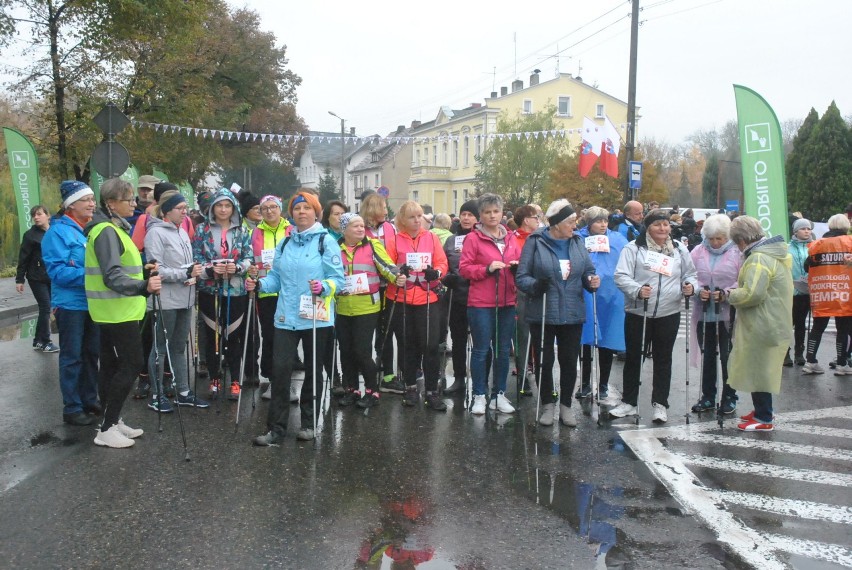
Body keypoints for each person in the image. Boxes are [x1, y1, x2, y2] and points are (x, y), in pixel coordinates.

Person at [248, 190, 344, 444]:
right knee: (280, 371)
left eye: (307, 208)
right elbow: (276, 279)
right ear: (292, 213)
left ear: (316, 213)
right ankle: (276, 429)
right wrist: (259, 285)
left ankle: (309, 423)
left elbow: (338, 280)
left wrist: (324, 287)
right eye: (298, 209)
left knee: (313, 371)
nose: (302, 212)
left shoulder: (326, 241)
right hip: (286, 316)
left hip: (316, 316)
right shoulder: (285, 243)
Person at [84, 178, 160, 448]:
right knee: (130, 364)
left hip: (117, 310)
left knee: (112, 367)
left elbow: (121, 268)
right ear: (111, 203)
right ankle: (106, 428)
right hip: (116, 312)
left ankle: (111, 421)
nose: (134, 203)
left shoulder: (112, 229)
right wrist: (143, 285)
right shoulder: (106, 231)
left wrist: (143, 269)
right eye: (128, 199)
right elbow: (112, 275)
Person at [516, 200, 600, 427]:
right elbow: (521, 277)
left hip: (572, 310)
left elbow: (588, 270)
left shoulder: (577, 242)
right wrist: (536, 285)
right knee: (544, 361)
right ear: (556, 224)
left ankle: (565, 406)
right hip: (543, 310)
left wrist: (592, 280)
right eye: (571, 222)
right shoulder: (535, 242)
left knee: (569, 361)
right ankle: (547, 404)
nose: (575, 225)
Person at [612, 209, 697, 423]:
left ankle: (660, 403)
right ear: (648, 227)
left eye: (666, 224)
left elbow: (691, 274)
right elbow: (621, 275)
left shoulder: (678, 249)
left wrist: (690, 286)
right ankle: (629, 402)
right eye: (657, 224)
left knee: (663, 359)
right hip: (639, 311)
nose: (663, 228)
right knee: (634, 358)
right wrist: (637, 290)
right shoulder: (633, 248)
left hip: (669, 312)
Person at [720, 216, 792, 431]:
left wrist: (729, 294)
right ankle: (761, 410)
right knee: (759, 367)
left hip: (762, 322)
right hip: (772, 319)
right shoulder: (772, 254)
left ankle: (764, 417)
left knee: (760, 369)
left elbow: (752, 294)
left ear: (741, 240)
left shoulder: (758, 259)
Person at [41, 181, 101, 427]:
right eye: (86, 200)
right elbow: (57, 272)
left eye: (92, 199)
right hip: (70, 305)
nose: (92, 204)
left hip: (93, 303)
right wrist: (93, 275)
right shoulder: (57, 232)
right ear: (70, 205)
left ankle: (89, 399)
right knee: (72, 356)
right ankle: (72, 407)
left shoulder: (90, 229)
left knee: (91, 354)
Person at [143, 189, 208, 411]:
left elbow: (186, 265)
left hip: (185, 297)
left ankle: (183, 391)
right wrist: (185, 274)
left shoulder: (181, 231)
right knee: (160, 347)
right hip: (166, 300)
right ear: (167, 211)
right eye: (180, 209)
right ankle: (156, 394)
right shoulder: (155, 233)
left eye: (185, 209)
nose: (185, 213)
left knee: (179, 347)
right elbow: (156, 270)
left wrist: (195, 272)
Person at [459, 194, 522, 415]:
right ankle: (479, 394)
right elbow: (464, 269)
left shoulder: (511, 237)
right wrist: (486, 269)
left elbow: (521, 264)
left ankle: (499, 394)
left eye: (496, 211)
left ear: (502, 213)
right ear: (481, 216)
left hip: (507, 300)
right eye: (487, 212)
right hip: (481, 303)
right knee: (481, 350)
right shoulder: (473, 239)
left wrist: (516, 267)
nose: (492, 215)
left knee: (503, 351)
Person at [384, 200, 449, 410]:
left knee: (430, 346)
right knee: (407, 346)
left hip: (427, 298)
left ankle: (432, 390)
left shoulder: (431, 238)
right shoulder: (395, 240)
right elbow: (388, 265)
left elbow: (442, 262)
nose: (417, 220)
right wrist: (396, 275)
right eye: (412, 217)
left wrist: (436, 273)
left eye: (419, 216)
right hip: (402, 298)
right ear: (403, 219)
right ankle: (410, 387)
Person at [191, 188, 254, 400]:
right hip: (210, 289)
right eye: (219, 205)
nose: (223, 209)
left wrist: (237, 268)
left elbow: (249, 257)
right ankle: (214, 377)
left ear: (233, 208)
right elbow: (196, 256)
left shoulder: (242, 231)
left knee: (233, 336)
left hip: (235, 289)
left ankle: (235, 379)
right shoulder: (201, 230)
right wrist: (210, 269)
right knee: (212, 335)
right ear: (213, 208)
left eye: (227, 205)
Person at [335, 213, 399, 408]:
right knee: (345, 351)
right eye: (355, 226)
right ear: (344, 230)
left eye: (362, 225)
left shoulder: (372, 245)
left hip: (367, 307)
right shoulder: (334, 248)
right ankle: (352, 389)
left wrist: (397, 277)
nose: (361, 229)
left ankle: (372, 391)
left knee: (362, 351)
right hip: (343, 307)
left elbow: (387, 266)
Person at [688, 214, 742, 415]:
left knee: (728, 356)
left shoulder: (737, 253)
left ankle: (730, 396)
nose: (715, 242)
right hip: (704, 311)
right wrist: (696, 289)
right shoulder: (698, 251)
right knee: (708, 355)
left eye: (719, 238)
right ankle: (708, 396)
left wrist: (727, 293)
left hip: (728, 312)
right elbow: (689, 275)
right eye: (711, 238)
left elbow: (743, 279)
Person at [576, 206, 628, 404]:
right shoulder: (578, 239)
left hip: (610, 296)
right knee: (586, 342)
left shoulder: (617, 239)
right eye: (598, 221)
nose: (603, 224)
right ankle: (585, 383)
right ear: (589, 223)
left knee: (606, 343)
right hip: (586, 295)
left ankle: (604, 384)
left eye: (605, 220)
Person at [361, 192, 404, 394]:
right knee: (368, 331)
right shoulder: (361, 228)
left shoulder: (389, 227)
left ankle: (388, 373)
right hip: (368, 288)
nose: (386, 211)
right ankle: (369, 370)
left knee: (386, 332)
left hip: (389, 286)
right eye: (383, 207)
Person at [250, 195, 291, 399]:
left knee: (287, 337)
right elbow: (250, 259)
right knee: (270, 335)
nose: (269, 211)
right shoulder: (254, 233)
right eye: (264, 208)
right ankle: (272, 377)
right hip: (266, 291)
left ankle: (286, 381)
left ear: (280, 209)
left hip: (289, 292)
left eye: (273, 207)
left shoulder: (291, 230)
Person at [803, 214, 852, 376]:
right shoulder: (849, 242)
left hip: (822, 292)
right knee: (843, 329)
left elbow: (806, 266)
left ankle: (810, 361)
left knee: (817, 328)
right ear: (846, 227)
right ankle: (841, 363)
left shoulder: (817, 245)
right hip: (844, 291)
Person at [441, 200, 478, 395]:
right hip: (456, 296)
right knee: (458, 340)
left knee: (481, 342)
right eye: (463, 214)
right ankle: (459, 379)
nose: (466, 218)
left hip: (479, 296)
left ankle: (481, 383)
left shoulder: (482, 238)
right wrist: (446, 277)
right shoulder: (450, 240)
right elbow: (443, 263)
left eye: (470, 215)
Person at [16, 204, 59, 352]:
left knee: (50, 307)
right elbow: (23, 258)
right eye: (34, 215)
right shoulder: (30, 235)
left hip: (51, 276)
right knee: (45, 307)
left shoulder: (54, 231)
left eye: (39, 214)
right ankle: (45, 341)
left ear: (48, 215)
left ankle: (37, 340)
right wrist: (19, 280)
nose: (36, 217)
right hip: (36, 277)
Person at [512, 204, 540, 391]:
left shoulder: (541, 238)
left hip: (538, 291)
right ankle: (522, 376)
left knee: (540, 337)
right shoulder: (513, 239)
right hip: (519, 293)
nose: (538, 220)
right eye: (535, 217)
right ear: (526, 220)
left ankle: (542, 377)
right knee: (522, 336)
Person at [785, 217, 813, 366]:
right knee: (788, 324)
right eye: (803, 228)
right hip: (791, 292)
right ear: (796, 231)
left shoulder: (813, 247)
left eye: (809, 228)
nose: (807, 231)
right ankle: (784, 354)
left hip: (806, 292)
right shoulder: (787, 248)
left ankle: (799, 353)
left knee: (801, 324)